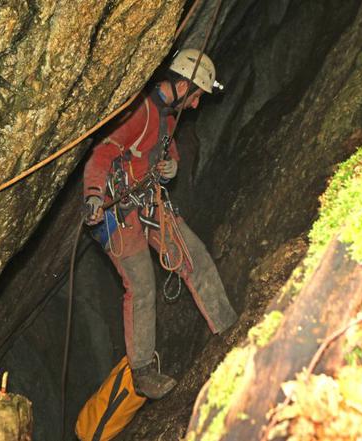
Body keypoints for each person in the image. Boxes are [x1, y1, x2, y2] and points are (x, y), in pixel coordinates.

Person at [82, 49, 238, 399]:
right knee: (141, 285)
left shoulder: (167, 120)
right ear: (183, 85)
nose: (196, 105)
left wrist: (173, 167)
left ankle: (228, 329)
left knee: (194, 257)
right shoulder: (140, 112)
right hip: (116, 215)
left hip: (149, 204)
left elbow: (167, 152)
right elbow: (101, 155)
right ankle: (142, 373)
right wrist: (93, 195)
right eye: (196, 95)